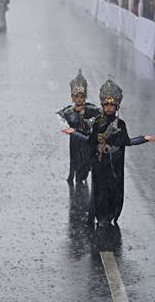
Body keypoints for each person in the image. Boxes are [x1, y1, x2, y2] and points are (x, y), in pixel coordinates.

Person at [61, 77, 154, 227]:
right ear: (103, 105)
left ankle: (110, 216)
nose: (109, 107)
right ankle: (101, 217)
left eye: (112, 104)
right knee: (100, 192)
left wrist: (144, 138)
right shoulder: (97, 122)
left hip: (114, 168)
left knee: (113, 192)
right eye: (106, 104)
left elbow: (127, 142)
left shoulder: (121, 125)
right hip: (99, 166)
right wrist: (74, 132)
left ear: (117, 106)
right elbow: (89, 141)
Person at [57, 69, 100, 184]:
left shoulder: (91, 109)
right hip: (74, 140)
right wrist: (63, 124)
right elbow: (59, 115)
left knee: (85, 162)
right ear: (72, 98)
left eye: (81, 97)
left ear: (85, 97)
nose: (79, 99)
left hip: (86, 140)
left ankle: (83, 174)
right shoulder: (69, 111)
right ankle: (73, 176)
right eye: (76, 97)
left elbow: (101, 115)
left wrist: (92, 121)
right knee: (74, 161)